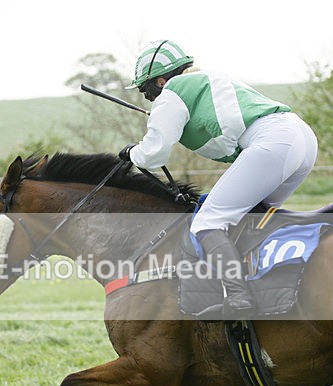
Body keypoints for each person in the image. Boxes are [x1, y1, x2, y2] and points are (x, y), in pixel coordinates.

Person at [119, 39, 318, 319]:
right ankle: (262, 279)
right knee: (251, 217)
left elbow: (154, 153)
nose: (147, 96)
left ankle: (239, 298)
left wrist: (132, 153)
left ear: (161, 81)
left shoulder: (172, 92)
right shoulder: (205, 80)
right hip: (300, 138)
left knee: (208, 222)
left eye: (145, 88)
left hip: (274, 142)